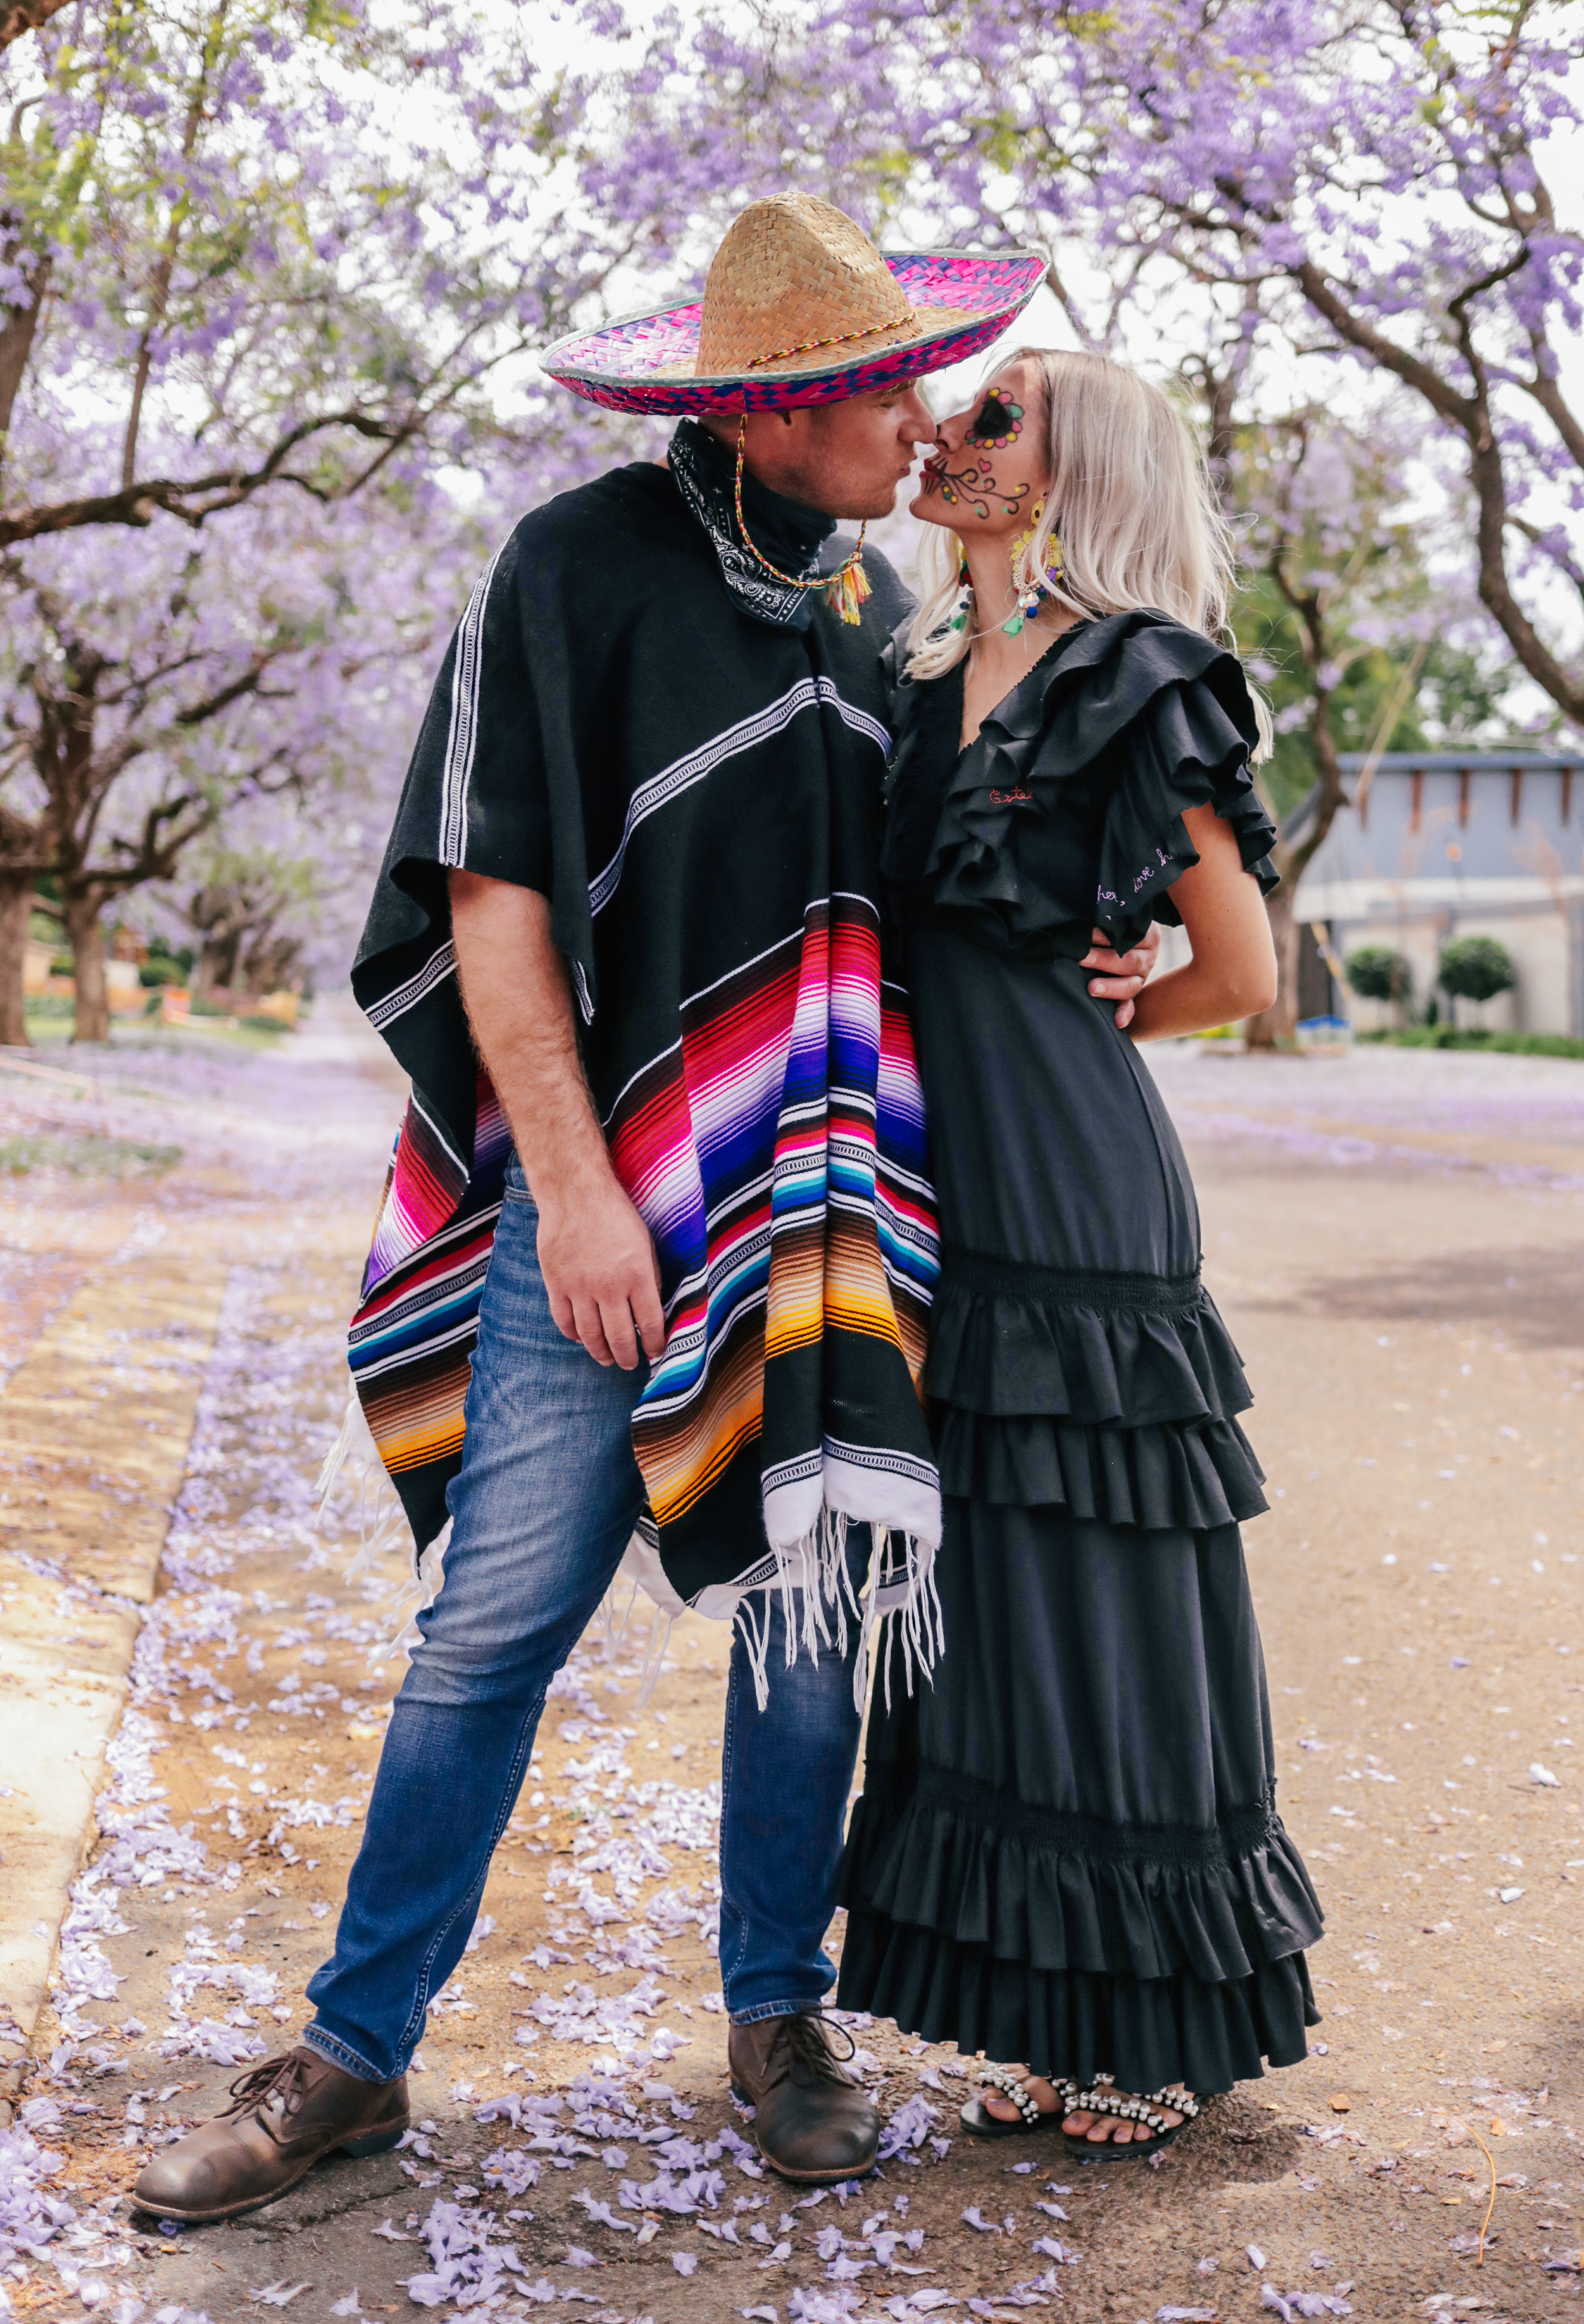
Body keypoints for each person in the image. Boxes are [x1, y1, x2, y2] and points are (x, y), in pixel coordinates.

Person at [132, 199, 1156, 2225]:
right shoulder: (576, 568)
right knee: (495, 1622)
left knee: (801, 1626)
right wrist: (586, 1201)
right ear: (774, 416)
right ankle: (352, 2052)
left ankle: (777, 2018)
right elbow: (496, 908)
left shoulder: (880, 612)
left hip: (823, 1213)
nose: (922, 413)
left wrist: (1102, 961)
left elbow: (938, 909)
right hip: (589, 1211)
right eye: (879, 388)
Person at [834, 348, 1325, 2154]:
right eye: (951, 417)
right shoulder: (918, 671)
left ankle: (1160, 2028)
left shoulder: (1136, 675)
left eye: (993, 418)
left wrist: (1126, 1002)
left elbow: (1243, 969)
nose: (947, 436)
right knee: (1002, 1606)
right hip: (944, 1186)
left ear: (1069, 471)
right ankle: (1051, 2014)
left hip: (1080, 1193)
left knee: (1104, 1582)